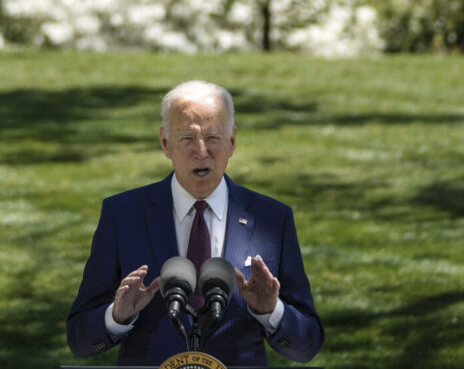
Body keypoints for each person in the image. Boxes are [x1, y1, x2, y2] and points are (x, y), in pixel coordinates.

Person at [67, 81, 324, 366]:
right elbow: (80, 339)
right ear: (165, 143)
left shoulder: (273, 219)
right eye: (187, 138)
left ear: (232, 141)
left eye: (213, 137)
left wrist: (272, 312)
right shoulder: (122, 215)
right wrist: (116, 317)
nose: (201, 151)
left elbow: (307, 344)